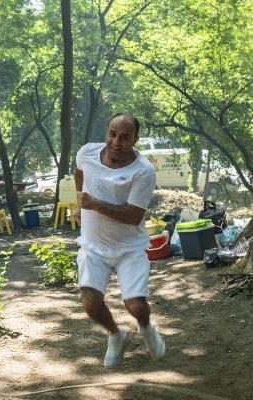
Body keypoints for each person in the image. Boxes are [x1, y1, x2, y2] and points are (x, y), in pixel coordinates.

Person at [74, 113, 165, 367]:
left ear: (135, 139)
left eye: (125, 137)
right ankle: (116, 335)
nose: (116, 141)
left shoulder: (143, 171)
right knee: (90, 302)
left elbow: (133, 216)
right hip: (93, 244)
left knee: (135, 304)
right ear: (107, 131)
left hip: (129, 247)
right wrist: (80, 201)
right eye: (113, 134)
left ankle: (147, 328)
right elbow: (79, 172)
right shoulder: (87, 153)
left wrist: (93, 203)